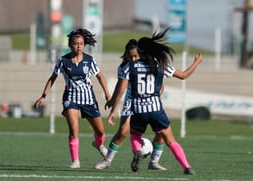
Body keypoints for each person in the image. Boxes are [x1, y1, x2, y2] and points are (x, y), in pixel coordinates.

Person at [106, 28, 203, 174]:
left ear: (140, 51)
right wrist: (196, 62)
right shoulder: (160, 64)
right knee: (170, 140)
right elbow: (183, 75)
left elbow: (120, 90)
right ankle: (186, 166)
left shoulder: (129, 67)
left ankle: (137, 151)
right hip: (156, 109)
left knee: (135, 134)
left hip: (138, 109)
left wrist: (113, 108)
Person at [34, 28, 110, 169]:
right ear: (70, 45)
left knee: (100, 131)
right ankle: (75, 160)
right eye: (76, 44)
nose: (79, 46)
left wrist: (107, 94)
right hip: (71, 98)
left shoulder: (89, 60)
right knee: (74, 129)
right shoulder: (63, 61)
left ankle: (98, 144)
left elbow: (99, 76)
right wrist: (43, 96)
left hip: (88, 99)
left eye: (81, 43)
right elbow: (53, 77)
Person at [95, 39, 166, 170]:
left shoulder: (149, 65)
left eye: (135, 56)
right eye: (130, 56)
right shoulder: (124, 67)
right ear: (126, 55)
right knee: (123, 132)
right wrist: (112, 102)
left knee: (162, 132)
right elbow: (120, 87)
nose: (133, 59)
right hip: (130, 102)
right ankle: (107, 160)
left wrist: (159, 90)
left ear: (141, 54)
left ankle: (154, 162)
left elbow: (159, 81)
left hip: (149, 103)